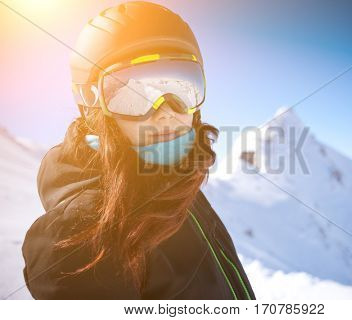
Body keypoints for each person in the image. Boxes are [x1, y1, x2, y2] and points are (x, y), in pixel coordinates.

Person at [22, 1, 256, 300]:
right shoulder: (80, 239)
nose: (168, 113)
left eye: (183, 89)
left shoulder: (178, 179)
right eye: (135, 95)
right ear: (93, 106)